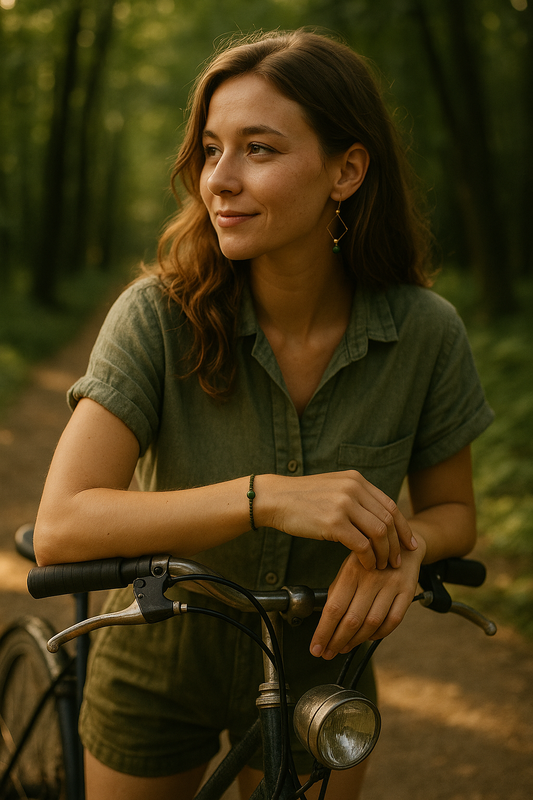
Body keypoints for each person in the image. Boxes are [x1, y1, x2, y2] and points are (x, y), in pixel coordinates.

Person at [34, 28, 494, 800]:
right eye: (211, 149)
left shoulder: (424, 331)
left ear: (346, 171)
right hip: (158, 652)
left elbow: (452, 511)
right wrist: (267, 495)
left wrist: (403, 549)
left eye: (259, 149)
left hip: (324, 667)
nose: (219, 178)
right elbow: (63, 525)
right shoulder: (156, 315)